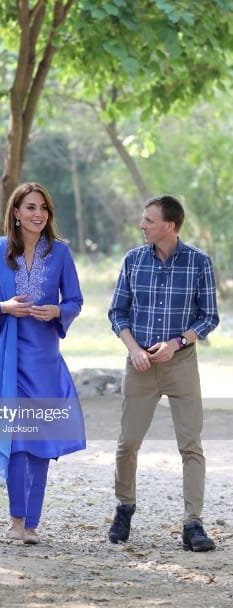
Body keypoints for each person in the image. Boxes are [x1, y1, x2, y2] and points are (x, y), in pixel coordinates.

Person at [0, 182, 86, 544]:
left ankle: (32, 524)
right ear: (16, 213)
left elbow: (75, 300)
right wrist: (3, 307)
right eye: (31, 207)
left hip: (44, 361)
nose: (38, 214)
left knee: (40, 443)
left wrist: (57, 311)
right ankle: (16, 521)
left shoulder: (60, 253)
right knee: (17, 440)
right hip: (8, 360)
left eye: (44, 208)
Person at [107, 194, 219, 552]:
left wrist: (177, 343)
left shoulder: (199, 262)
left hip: (181, 363)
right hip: (139, 364)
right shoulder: (133, 260)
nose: (142, 225)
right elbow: (117, 313)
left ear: (169, 226)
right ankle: (125, 507)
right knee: (128, 443)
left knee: (191, 444)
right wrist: (134, 349)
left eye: (149, 221)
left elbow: (209, 317)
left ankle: (193, 523)